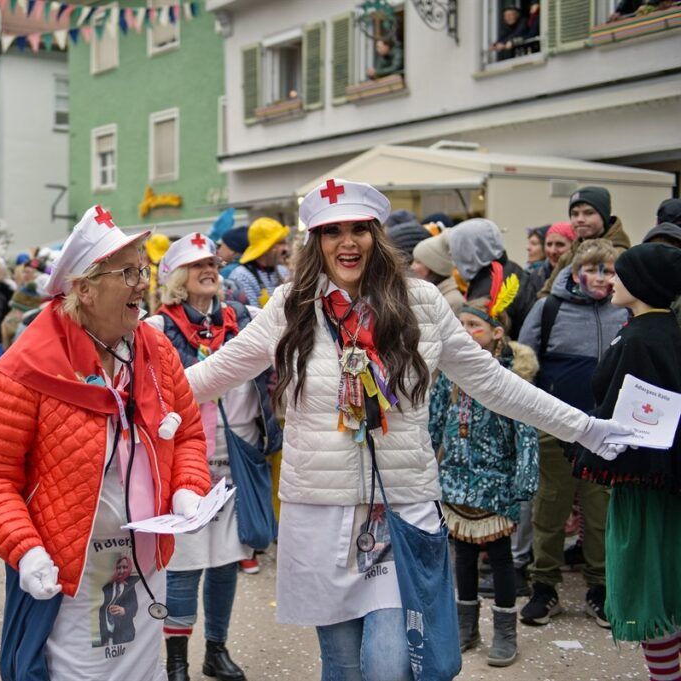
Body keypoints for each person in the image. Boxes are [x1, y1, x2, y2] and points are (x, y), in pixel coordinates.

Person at [183, 178, 630, 681]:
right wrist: (132, 398)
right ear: (316, 242)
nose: (347, 243)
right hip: (320, 513)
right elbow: (212, 374)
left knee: (390, 663)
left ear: (376, 235)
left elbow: (493, 382)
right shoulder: (291, 306)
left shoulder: (421, 302)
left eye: (358, 229)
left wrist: (584, 428)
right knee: (342, 665)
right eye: (332, 232)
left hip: (401, 510)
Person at [0, 205, 211, 681]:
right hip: (68, 575)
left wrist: (187, 487)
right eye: (128, 273)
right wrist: (26, 550)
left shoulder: (154, 350)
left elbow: (187, 435)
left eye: (143, 270)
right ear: (84, 288)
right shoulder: (21, 371)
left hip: (143, 560)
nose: (142, 284)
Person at [147, 233, 282, 681]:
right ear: (177, 277)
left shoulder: (244, 318)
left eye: (213, 264)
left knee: (226, 560)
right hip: (184, 462)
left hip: (239, 455)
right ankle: (177, 662)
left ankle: (216, 650)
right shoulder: (157, 328)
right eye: (198, 265)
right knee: (185, 564)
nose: (210, 270)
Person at [568, 243, 681, 680]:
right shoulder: (664, 331)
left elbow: (622, 416)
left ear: (643, 283)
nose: (611, 280)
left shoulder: (640, 340)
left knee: (648, 589)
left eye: (620, 273)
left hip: (643, 488)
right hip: (666, 482)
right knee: (670, 583)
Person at [513, 239, 629, 627]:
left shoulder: (624, 309)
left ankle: (600, 588)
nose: (601, 277)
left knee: (600, 510)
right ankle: (544, 586)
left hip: (605, 428)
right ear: (575, 272)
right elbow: (524, 363)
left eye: (609, 270)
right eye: (592, 269)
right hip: (555, 426)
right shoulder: (549, 308)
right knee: (550, 505)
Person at [429, 296, 539, 668]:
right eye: (460, 325)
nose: (465, 331)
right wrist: (424, 466)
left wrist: (524, 480)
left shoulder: (510, 377)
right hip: (456, 479)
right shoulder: (448, 374)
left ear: (496, 334)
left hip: (495, 481)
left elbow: (526, 432)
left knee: (500, 557)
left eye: (473, 326)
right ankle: (466, 626)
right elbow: (433, 422)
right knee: (462, 555)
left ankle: (505, 632)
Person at [447, 219, 541, 339]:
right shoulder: (508, 268)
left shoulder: (490, 288)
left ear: (472, 250)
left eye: (457, 248)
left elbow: (483, 341)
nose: (451, 254)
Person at [538, 186, 630, 298]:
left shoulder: (620, 255)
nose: (580, 219)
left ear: (604, 216)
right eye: (575, 214)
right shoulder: (568, 255)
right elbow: (546, 293)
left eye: (589, 213)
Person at [228, 218, 289, 308]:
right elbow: (251, 314)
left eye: (285, 243)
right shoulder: (242, 276)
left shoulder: (283, 271)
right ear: (266, 248)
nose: (286, 249)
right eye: (281, 243)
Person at [411, 232, 464, 311]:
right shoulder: (426, 294)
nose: (412, 267)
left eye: (418, 262)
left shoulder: (452, 301)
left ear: (433, 267)